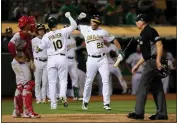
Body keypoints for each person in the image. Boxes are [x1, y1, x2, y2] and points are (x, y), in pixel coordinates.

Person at [77, 13, 124, 110]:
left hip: (103, 59)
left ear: (99, 23)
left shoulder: (103, 31)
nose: (95, 23)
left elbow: (115, 40)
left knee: (105, 81)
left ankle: (106, 104)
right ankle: (85, 102)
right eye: (93, 21)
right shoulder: (85, 29)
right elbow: (74, 26)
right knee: (89, 81)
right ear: (91, 21)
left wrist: (120, 52)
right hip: (91, 59)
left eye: (97, 22)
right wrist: (79, 18)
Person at [127, 14, 168, 120]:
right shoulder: (144, 33)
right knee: (157, 88)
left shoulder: (150, 31)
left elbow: (160, 45)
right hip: (151, 60)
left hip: (153, 62)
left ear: (142, 21)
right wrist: (137, 64)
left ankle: (139, 113)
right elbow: (146, 54)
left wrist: (158, 61)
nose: (136, 22)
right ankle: (162, 114)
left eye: (137, 20)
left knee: (142, 87)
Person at [36, 12, 77, 109]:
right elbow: (75, 25)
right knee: (63, 80)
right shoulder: (62, 31)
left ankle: (53, 104)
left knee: (52, 82)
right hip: (62, 57)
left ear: (49, 26)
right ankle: (63, 94)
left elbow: (39, 48)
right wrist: (69, 16)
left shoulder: (46, 36)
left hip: (51, 59)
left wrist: (38, 48)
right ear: (56, 24)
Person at [8, 16, 40, 118]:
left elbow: (27, 50)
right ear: (25, 24)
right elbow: (10, 45)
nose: (32, 24)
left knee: (20, 86)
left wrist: (31, 61)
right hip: (19, 63)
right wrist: (16, 57)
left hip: (22, 62)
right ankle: (27, 112)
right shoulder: (19, 34)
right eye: (30, 23)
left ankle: (17, 111)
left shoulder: (27, 35)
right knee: (28, 85)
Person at [31, 24, 48, 104]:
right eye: (39, 29)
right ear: (37, 31)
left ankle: (44, 97)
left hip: (46, 61)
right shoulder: (33, 40)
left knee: (45, 82)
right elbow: (30, 53)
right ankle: (38, 98)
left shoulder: (48, 39)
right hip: (37, 61)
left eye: (42, 29)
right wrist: (31, 62)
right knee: (37, 82)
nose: (41, 31)